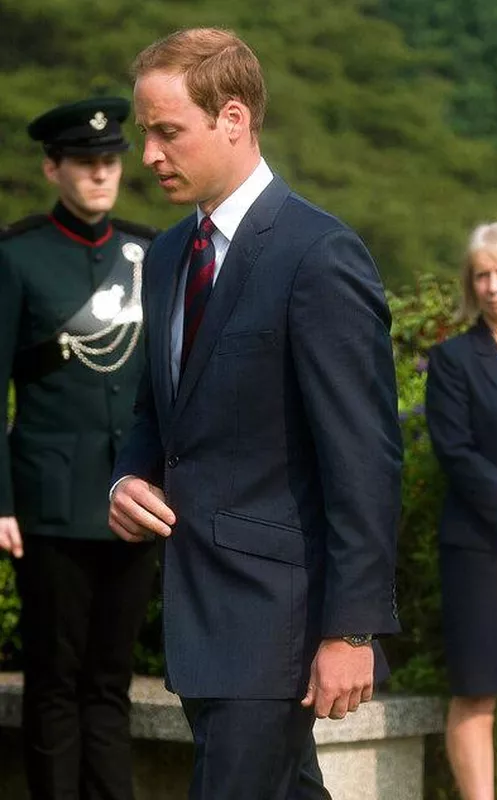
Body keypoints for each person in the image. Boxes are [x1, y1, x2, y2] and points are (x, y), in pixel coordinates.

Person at [107, 27, 402, 800]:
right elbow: (156, 409)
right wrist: (127, 476)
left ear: (233, 118)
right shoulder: (169, 254)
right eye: (146, 134)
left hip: (279, 624)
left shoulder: (320, 255)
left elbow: (365, 460)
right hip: (199, 616)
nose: (149, 156)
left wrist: (353, 631)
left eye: (167, 132)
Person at [0, 97, 158, 800]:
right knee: (56, 682)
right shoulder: (17, 256)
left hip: (132, 499)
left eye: (110, 161)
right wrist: (0, 502)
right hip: (51, 503)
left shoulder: (149, 251)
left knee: (110, 680)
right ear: (53, 168)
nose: (101, 174)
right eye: (86, 163)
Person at [425, 222, 497, 800]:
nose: (491, 286)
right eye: (480, 275)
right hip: (480, 551)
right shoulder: (453, 359)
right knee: (476, 689)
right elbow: (456, 455)